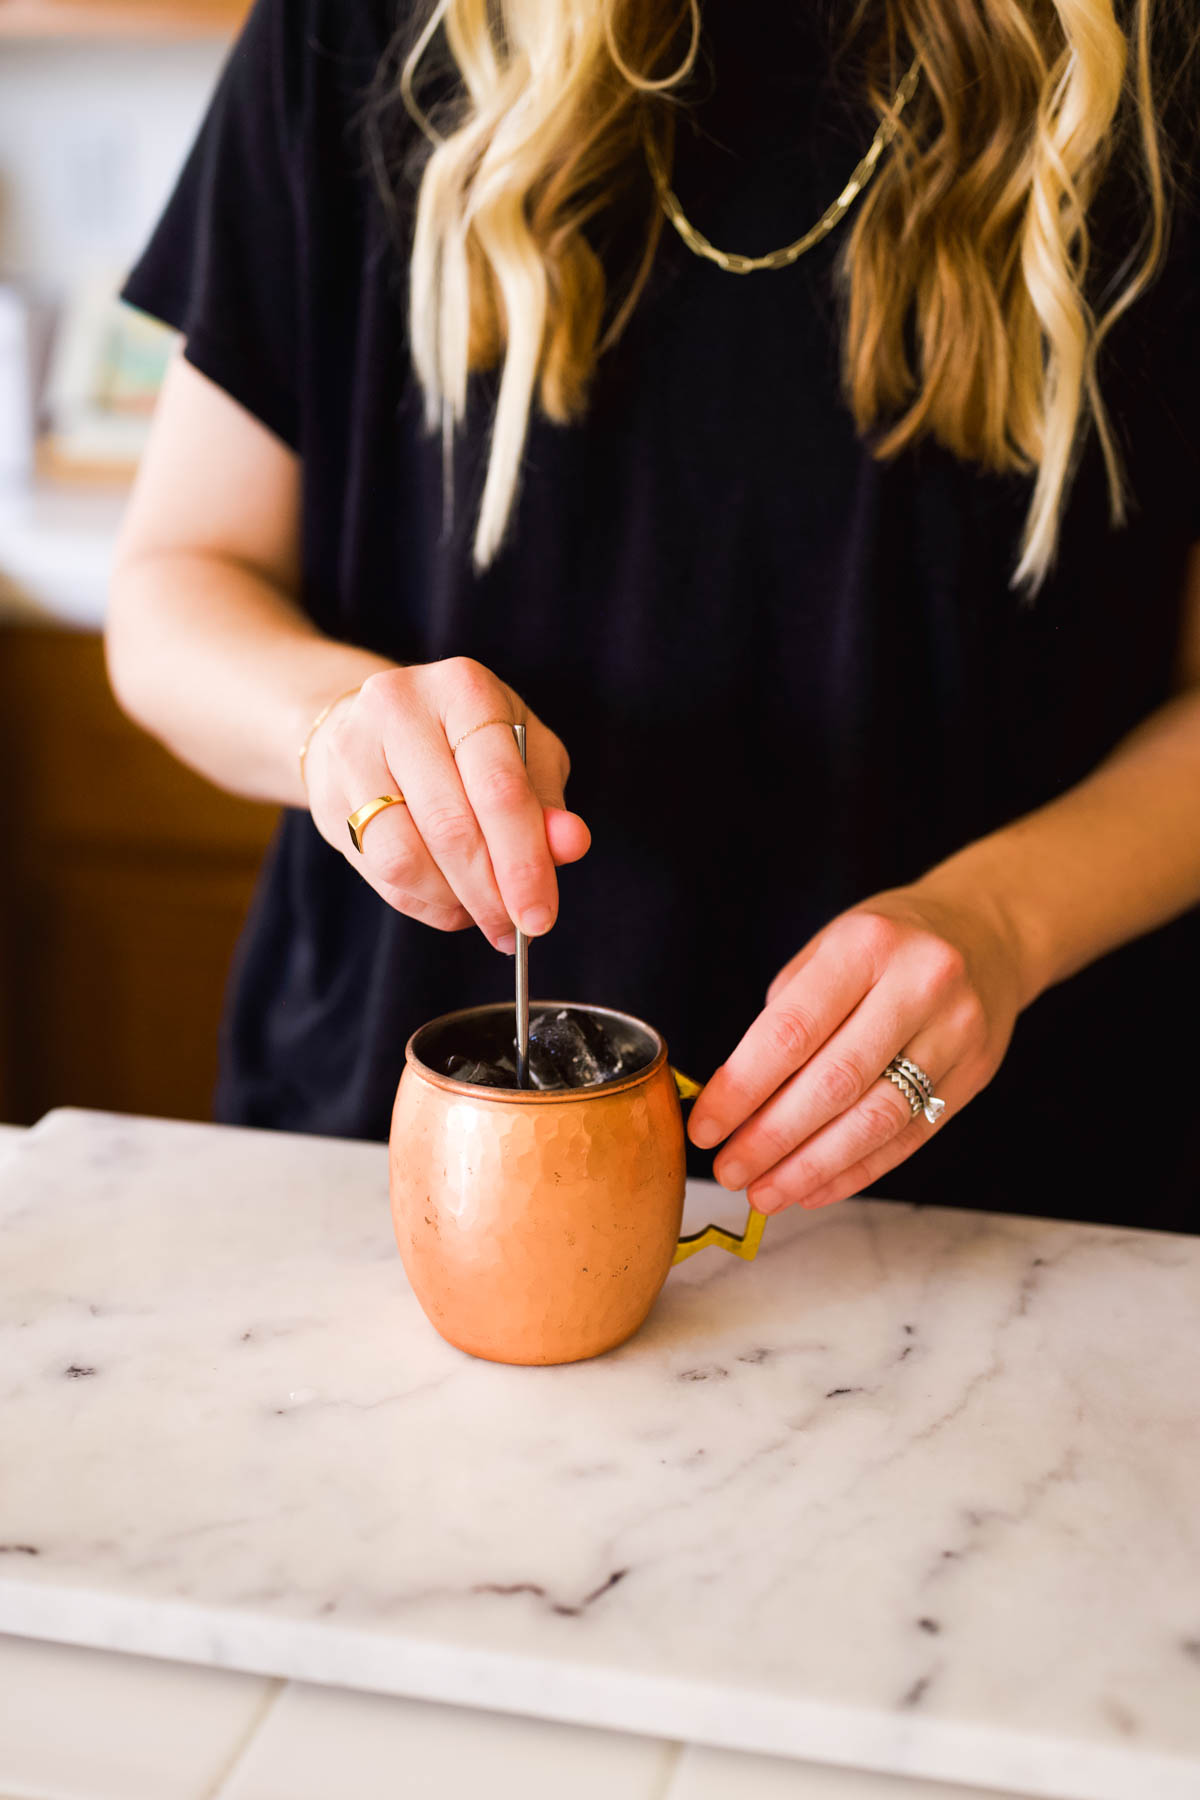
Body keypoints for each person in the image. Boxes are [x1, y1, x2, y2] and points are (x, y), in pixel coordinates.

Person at [107, 0, 1200, 1231]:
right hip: (382, 1170)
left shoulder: (1156, 72)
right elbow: (173, 588)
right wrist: (331, 726)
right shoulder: (367, 31)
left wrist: (1004, 922)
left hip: (990, 1209)